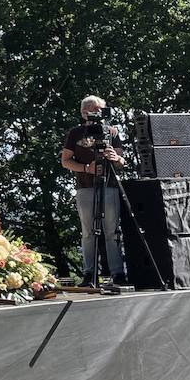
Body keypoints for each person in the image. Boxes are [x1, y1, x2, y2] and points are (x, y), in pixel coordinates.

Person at [61, 94, 127, 286]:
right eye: (93, 109)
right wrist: (85, 168)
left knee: (112, 232)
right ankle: (89, 273)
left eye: (100, 109)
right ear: (84, 113)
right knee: (88, 232)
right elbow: (65, 161)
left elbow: (123, 162)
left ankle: (118, 274)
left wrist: (115, 157)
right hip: (85, 187)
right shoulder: (76, 133)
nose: (97, 113)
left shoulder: (112, 132)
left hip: (109, 186)